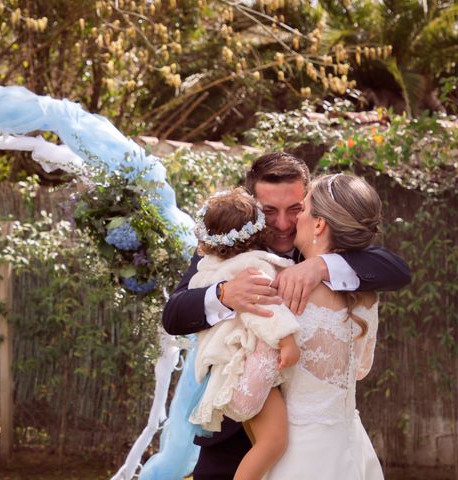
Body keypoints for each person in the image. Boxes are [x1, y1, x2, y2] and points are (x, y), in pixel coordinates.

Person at [162, 152, 411, 479]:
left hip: (312, 441)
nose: (282, 224)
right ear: (252, 206)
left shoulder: (327, 251)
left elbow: (395, 270)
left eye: (295, 209)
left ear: (308, 204)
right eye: (269, 211)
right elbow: (175, 313)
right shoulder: (227, 246)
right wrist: (224, 294)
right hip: (232, 436)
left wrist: (320, 265)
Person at [247, 173, 384, 479]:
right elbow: (361, 369)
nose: (297, 219)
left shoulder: (284, 290)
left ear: (320, 224)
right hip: (350, 440)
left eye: (303, 209)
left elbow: (252, 384)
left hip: (298, 452)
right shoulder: (368, 294)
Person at [186, 187, 300, 480]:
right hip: (246, 369)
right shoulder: (253, 267)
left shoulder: (208, 268)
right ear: (256, 234)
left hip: (222, 371)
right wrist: (287, 341)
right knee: (274, 442)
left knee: (265, 441)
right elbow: (266, 310)